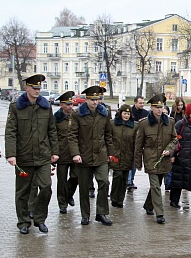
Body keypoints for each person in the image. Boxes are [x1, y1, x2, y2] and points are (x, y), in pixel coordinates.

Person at [5, 74, 59, 234]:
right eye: (34, 88)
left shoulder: (45, 106)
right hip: (23, 156)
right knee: (23, 191)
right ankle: (23, 221)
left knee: (46, 187)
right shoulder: (16, 107)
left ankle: (39, 218)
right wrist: (11, 154)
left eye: (39, 88)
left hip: (43, 156)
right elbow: (10, 132)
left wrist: (55, 151)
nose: (37, 91)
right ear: (26, 88)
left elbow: (52, 130)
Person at [68, 86, 115, 226]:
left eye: (97, 99)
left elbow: (108, 134)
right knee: (83, 187)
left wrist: (110, 153)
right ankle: (85, 215)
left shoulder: (104, 113)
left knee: (104, 182)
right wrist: (75, 153)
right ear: (86, 99)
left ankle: (102, 213)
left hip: (100, 155)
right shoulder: (77, 114)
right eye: (92, 99)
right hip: (84, 156)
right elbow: (72, 136)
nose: (95, 102)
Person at [136, 95, 177, 224]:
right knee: (155, 186)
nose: (159, 110)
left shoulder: (169, 122)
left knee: (157, 184)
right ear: (151, 108)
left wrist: (169, 150)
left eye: (161, 107)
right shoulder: (144, 123)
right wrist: (138, 162)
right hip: (151, 159)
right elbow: (138, 144)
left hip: (164, 159)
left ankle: (148, 205)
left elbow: (174, 139)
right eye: (156, 107)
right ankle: (159, 213)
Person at [54, 91, 79, 214]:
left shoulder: (75, 116)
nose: (71, 106)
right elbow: (52, 136)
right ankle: (62, 203)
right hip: (61, 153)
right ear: (61, 105)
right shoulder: (56, 118)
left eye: (71, 103)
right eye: (68, 104)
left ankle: (69, 194)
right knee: (62, 181)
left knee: (76, 177)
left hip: (75, 153)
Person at [110, 104, 138, 208]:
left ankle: (120, 200)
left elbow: (136, 142)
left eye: (128, 114)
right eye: (124, 113)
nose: (126, 116)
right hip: (116, 155)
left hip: (128, 156)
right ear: (120, 113)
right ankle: (114, 197)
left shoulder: (134, 126)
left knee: (124, 178)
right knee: (117, 176)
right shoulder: (113, 124)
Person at [128, 96, 149, 190]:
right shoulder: (130, 112)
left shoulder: (145, 113)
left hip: (140, 140)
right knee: (129, 161)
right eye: (140, 103)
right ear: (135, 103)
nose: (142, 105)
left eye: (143, 103)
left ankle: (130, 180)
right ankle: (128, 181)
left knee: (135, 161)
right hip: (129, 140)